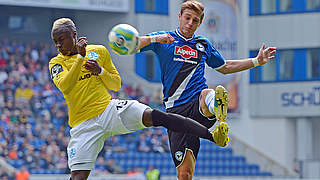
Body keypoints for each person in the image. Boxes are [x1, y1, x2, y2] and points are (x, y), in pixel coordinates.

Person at [49, 18, 229, 180]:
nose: (58, 45)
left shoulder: (98, 51)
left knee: (157, 116)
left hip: (109, 110)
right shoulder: (56, 63)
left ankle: (213, 136)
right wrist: (80, 57)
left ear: (74, 35)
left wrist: (100, 71)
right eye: (55, 41)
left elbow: (115, 84)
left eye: (61, 39)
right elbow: (66, 85)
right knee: (78, 177)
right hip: (83, 125)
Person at [137, 1, 277, 179]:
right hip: (175, 113)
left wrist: (256, 61)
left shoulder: (203, 44)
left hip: (198, 105)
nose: (190, 23)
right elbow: (136, 44)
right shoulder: (164, 39)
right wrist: (155, 38)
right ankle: (215, 113)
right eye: (187, 18)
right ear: (179, 17)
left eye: (195, 20)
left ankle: (217, 109)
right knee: (184, 174)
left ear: (200, 23)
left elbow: (225, 66)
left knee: (208, 93)